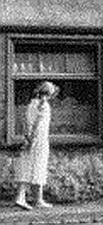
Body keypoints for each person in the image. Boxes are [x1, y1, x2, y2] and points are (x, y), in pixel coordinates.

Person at [15, 80, 59, 211]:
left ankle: (21, 196)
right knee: (38, 167)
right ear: (49, 93)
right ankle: (37, 199)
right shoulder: (44, 105)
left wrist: (27, 137)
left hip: (29, 138)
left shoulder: (31, 103)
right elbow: (37, 123)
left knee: (27, 165)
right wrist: (31, 138)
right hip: (38, 139)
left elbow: (25, 121)